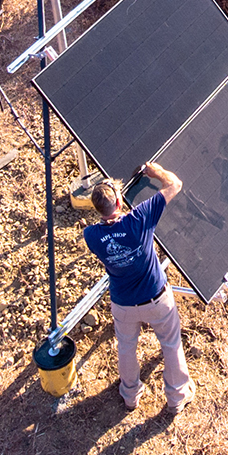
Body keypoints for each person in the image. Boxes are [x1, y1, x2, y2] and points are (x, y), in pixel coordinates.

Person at [83, 163, 195, 413]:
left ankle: (130, 396)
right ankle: (177, 398)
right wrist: (156, 172)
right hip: (156, 299)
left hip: (123, 303)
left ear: (97, 209)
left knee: (126, 347)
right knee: (171, 343)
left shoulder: (91, 236)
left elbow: (106, 232)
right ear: (120, 203)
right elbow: (175, 184)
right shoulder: (139, 219)